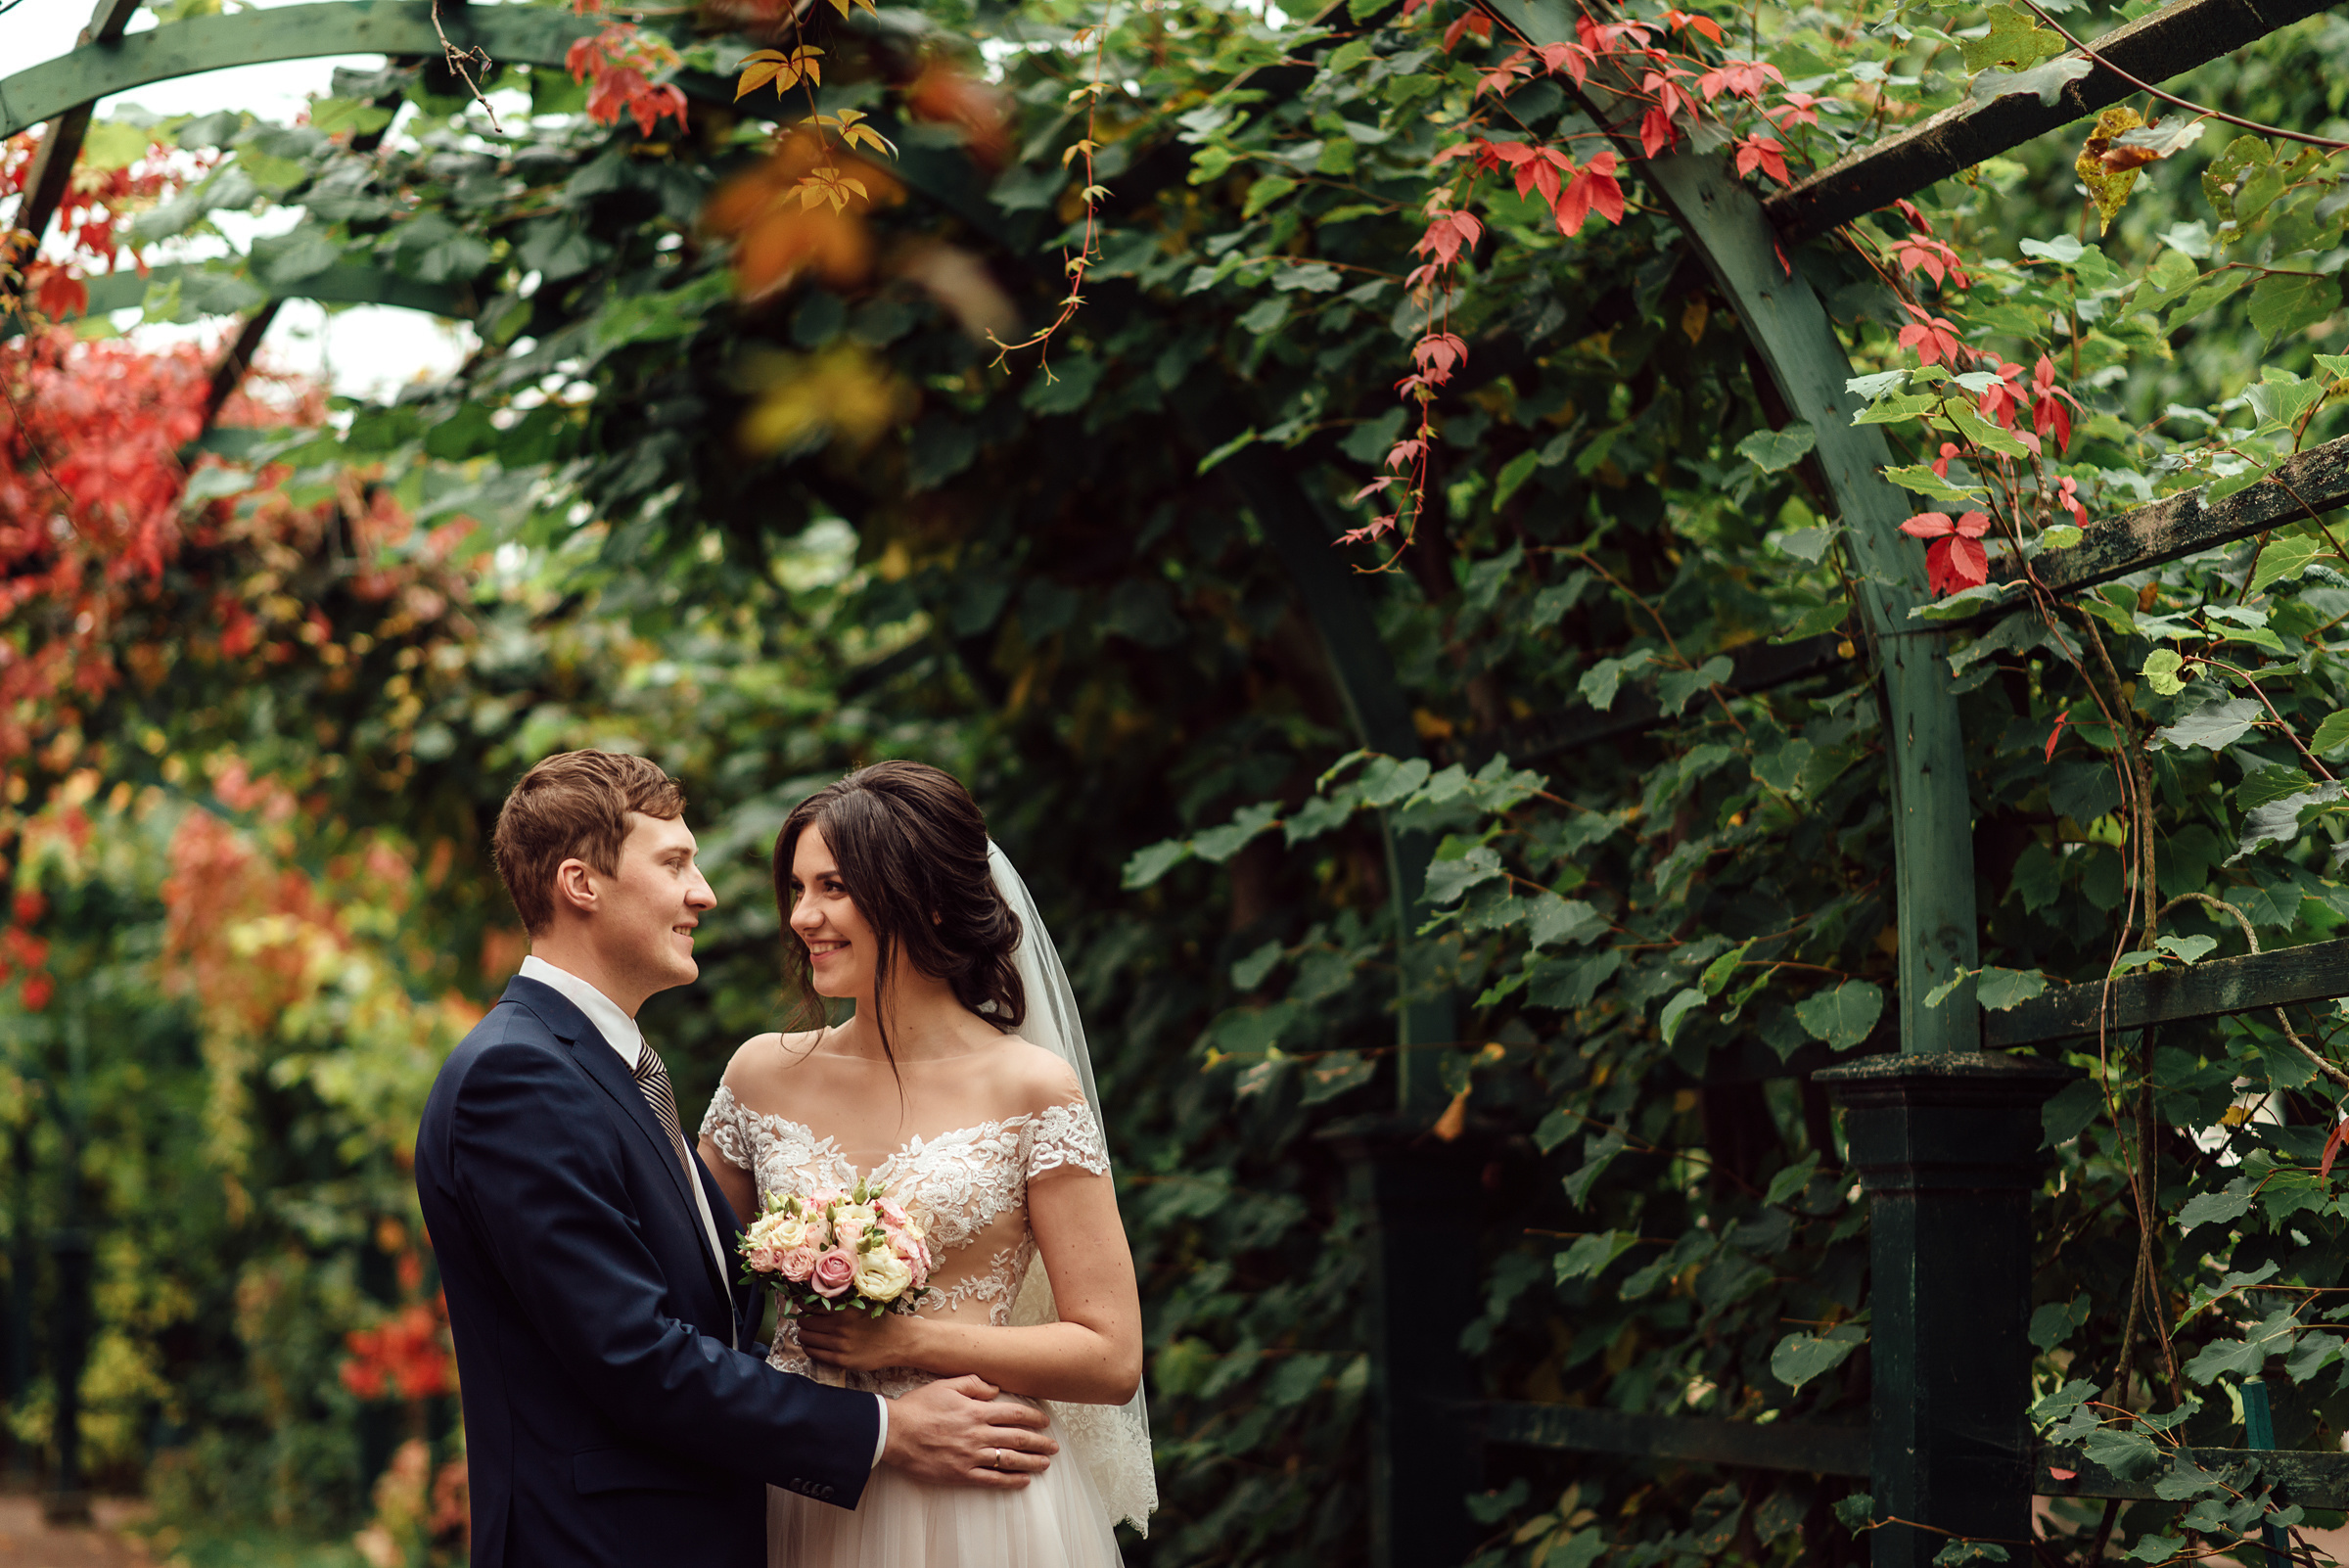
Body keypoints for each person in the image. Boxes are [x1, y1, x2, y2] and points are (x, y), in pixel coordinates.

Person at [415, 751, 1058, 1568]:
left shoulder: (603, 1065)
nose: (705, 893)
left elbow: (706, 1326)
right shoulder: (519, 1075)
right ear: (582, 884)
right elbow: (635, 1356)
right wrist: (885, 1430)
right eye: (675, 863)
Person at [697, 760, 1157, 1568]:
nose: (805, 916)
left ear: (927, 898)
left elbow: (1110, 1355)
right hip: (807, 1488)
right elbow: (688, 1297)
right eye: (798, 889)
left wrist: (904, 1340)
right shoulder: (760, 1076)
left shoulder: (1028, 1086)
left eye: (834, 886)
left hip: (982, 1498)